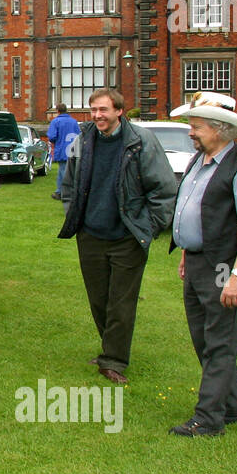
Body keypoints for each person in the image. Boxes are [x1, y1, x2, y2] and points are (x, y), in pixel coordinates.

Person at [59, 88, 177, 385]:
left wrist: (147, 228)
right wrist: (73, 213)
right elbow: (69, 183)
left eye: (103, 110)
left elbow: (163, 190)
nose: (97, 116)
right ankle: (109, 349)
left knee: (121, 303)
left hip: (127, 237)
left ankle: (113, 359)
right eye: (93, 110)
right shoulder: (83, 140)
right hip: (90, 235)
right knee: (98, 299)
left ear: (119, 111)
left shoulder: (141, 141)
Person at [167, 92, 237, 437]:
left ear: (219, 130)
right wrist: (185, 250)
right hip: (197, 263)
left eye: (196, 127)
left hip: (226, 269)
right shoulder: (201, 160)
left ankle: (209, 419)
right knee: (205, 340)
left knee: (220, 342)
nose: (191, 132)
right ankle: (236, 408)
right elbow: (198, 210)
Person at [46, 103, 80, 201]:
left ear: (58, 111)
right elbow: (79, 135)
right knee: (72, 171)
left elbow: (52, 136)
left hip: (62, 149)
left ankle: (61, 192)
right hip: (74, 149)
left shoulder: (55, 122)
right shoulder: (74, 122)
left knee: (63, 171)